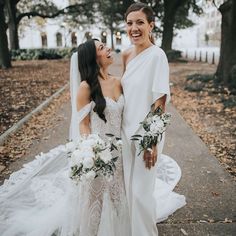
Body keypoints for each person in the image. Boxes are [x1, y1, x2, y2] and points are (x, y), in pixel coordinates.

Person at [0, 39, 131, 236]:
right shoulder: (86, 88)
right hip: (97, 153)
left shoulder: (118, 82)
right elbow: (83, 123)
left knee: (118, 196)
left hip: (118, 153)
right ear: (92, 58)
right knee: (94, 202)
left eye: (105, 45)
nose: (108, 48)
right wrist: (92, 151)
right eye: (102, 48)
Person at [121, 3, 186, 236]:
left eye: (140, 22)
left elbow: (160, 103)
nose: (134, 28)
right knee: (128, 189)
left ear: (151, 25)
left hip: (147, 132)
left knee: (141, 192)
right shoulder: (126, 54)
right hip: (123, 131)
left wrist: (151, 142)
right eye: (130, 23)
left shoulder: (158, 56)